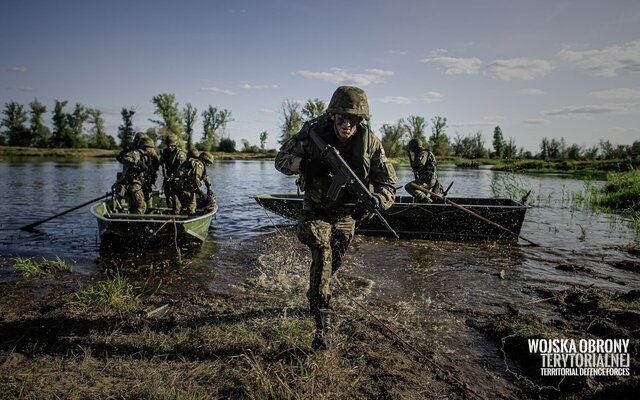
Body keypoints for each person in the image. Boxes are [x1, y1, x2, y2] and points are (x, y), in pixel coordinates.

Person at [275, 86, 397, 349]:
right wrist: (306, 164)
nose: (347, 125)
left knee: (330, 266)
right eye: (342, 118)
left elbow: (388, 186)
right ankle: (323, 325)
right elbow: (281, 160)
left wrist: (377, 201)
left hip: (346, 216)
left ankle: (316, 293)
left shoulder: (371, 143)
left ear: (361, 120)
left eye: (353, 120)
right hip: (315, 211)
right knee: (323, 250)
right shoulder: (312, 134)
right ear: (332, 115)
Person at [113, 136, 160, 214]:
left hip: (144, 183)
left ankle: (138, 216)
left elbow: (156, 168)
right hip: (134, 183)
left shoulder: (151, 156)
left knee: (146, 204)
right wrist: (138, 163)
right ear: (146, 148)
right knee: (141, 205)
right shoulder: (136, 153)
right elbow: (126, 158)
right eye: (150, 148)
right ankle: (138, 222)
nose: (152, 150)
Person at [404, 138, 443, 202]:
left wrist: (413, 164)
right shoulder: (422, 153)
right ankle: (424, 202)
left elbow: (420, 163)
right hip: (426, 179)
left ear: (416, 147)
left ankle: (427, 200)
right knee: (419, 198)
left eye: (412, 149)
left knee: (408, 187)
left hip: (427, 180)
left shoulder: (424, 153)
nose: (412, 151)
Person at [160, 134, 187, 212]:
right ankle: (171, 211)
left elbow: (178, 166)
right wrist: (165, 173)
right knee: (168, 195)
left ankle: (177, 213)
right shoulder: (165, 152)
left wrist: (172, 175)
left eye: (172, 146)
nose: (170, 147)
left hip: (178, 178)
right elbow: (162, 163)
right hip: (168, 177)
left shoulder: (180, 154)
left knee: (176, 197)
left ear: (176, 145)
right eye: (168, 145)